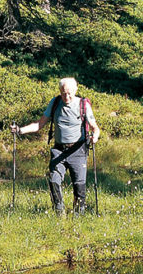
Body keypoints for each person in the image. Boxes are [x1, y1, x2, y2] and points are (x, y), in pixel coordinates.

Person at [12, 77, 100, 216]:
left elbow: (95, 128)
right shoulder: (55, 103)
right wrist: (20, 130)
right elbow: (39, 125)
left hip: (78, 150)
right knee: (54, 180)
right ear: (60, 91)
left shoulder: (83, 105)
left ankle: (79, 216)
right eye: (64, 93)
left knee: (79, 185)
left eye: (70, 93)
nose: (67, 96)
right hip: (59, 150)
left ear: (76, 90)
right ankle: (59, 212)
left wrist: (94, 136)